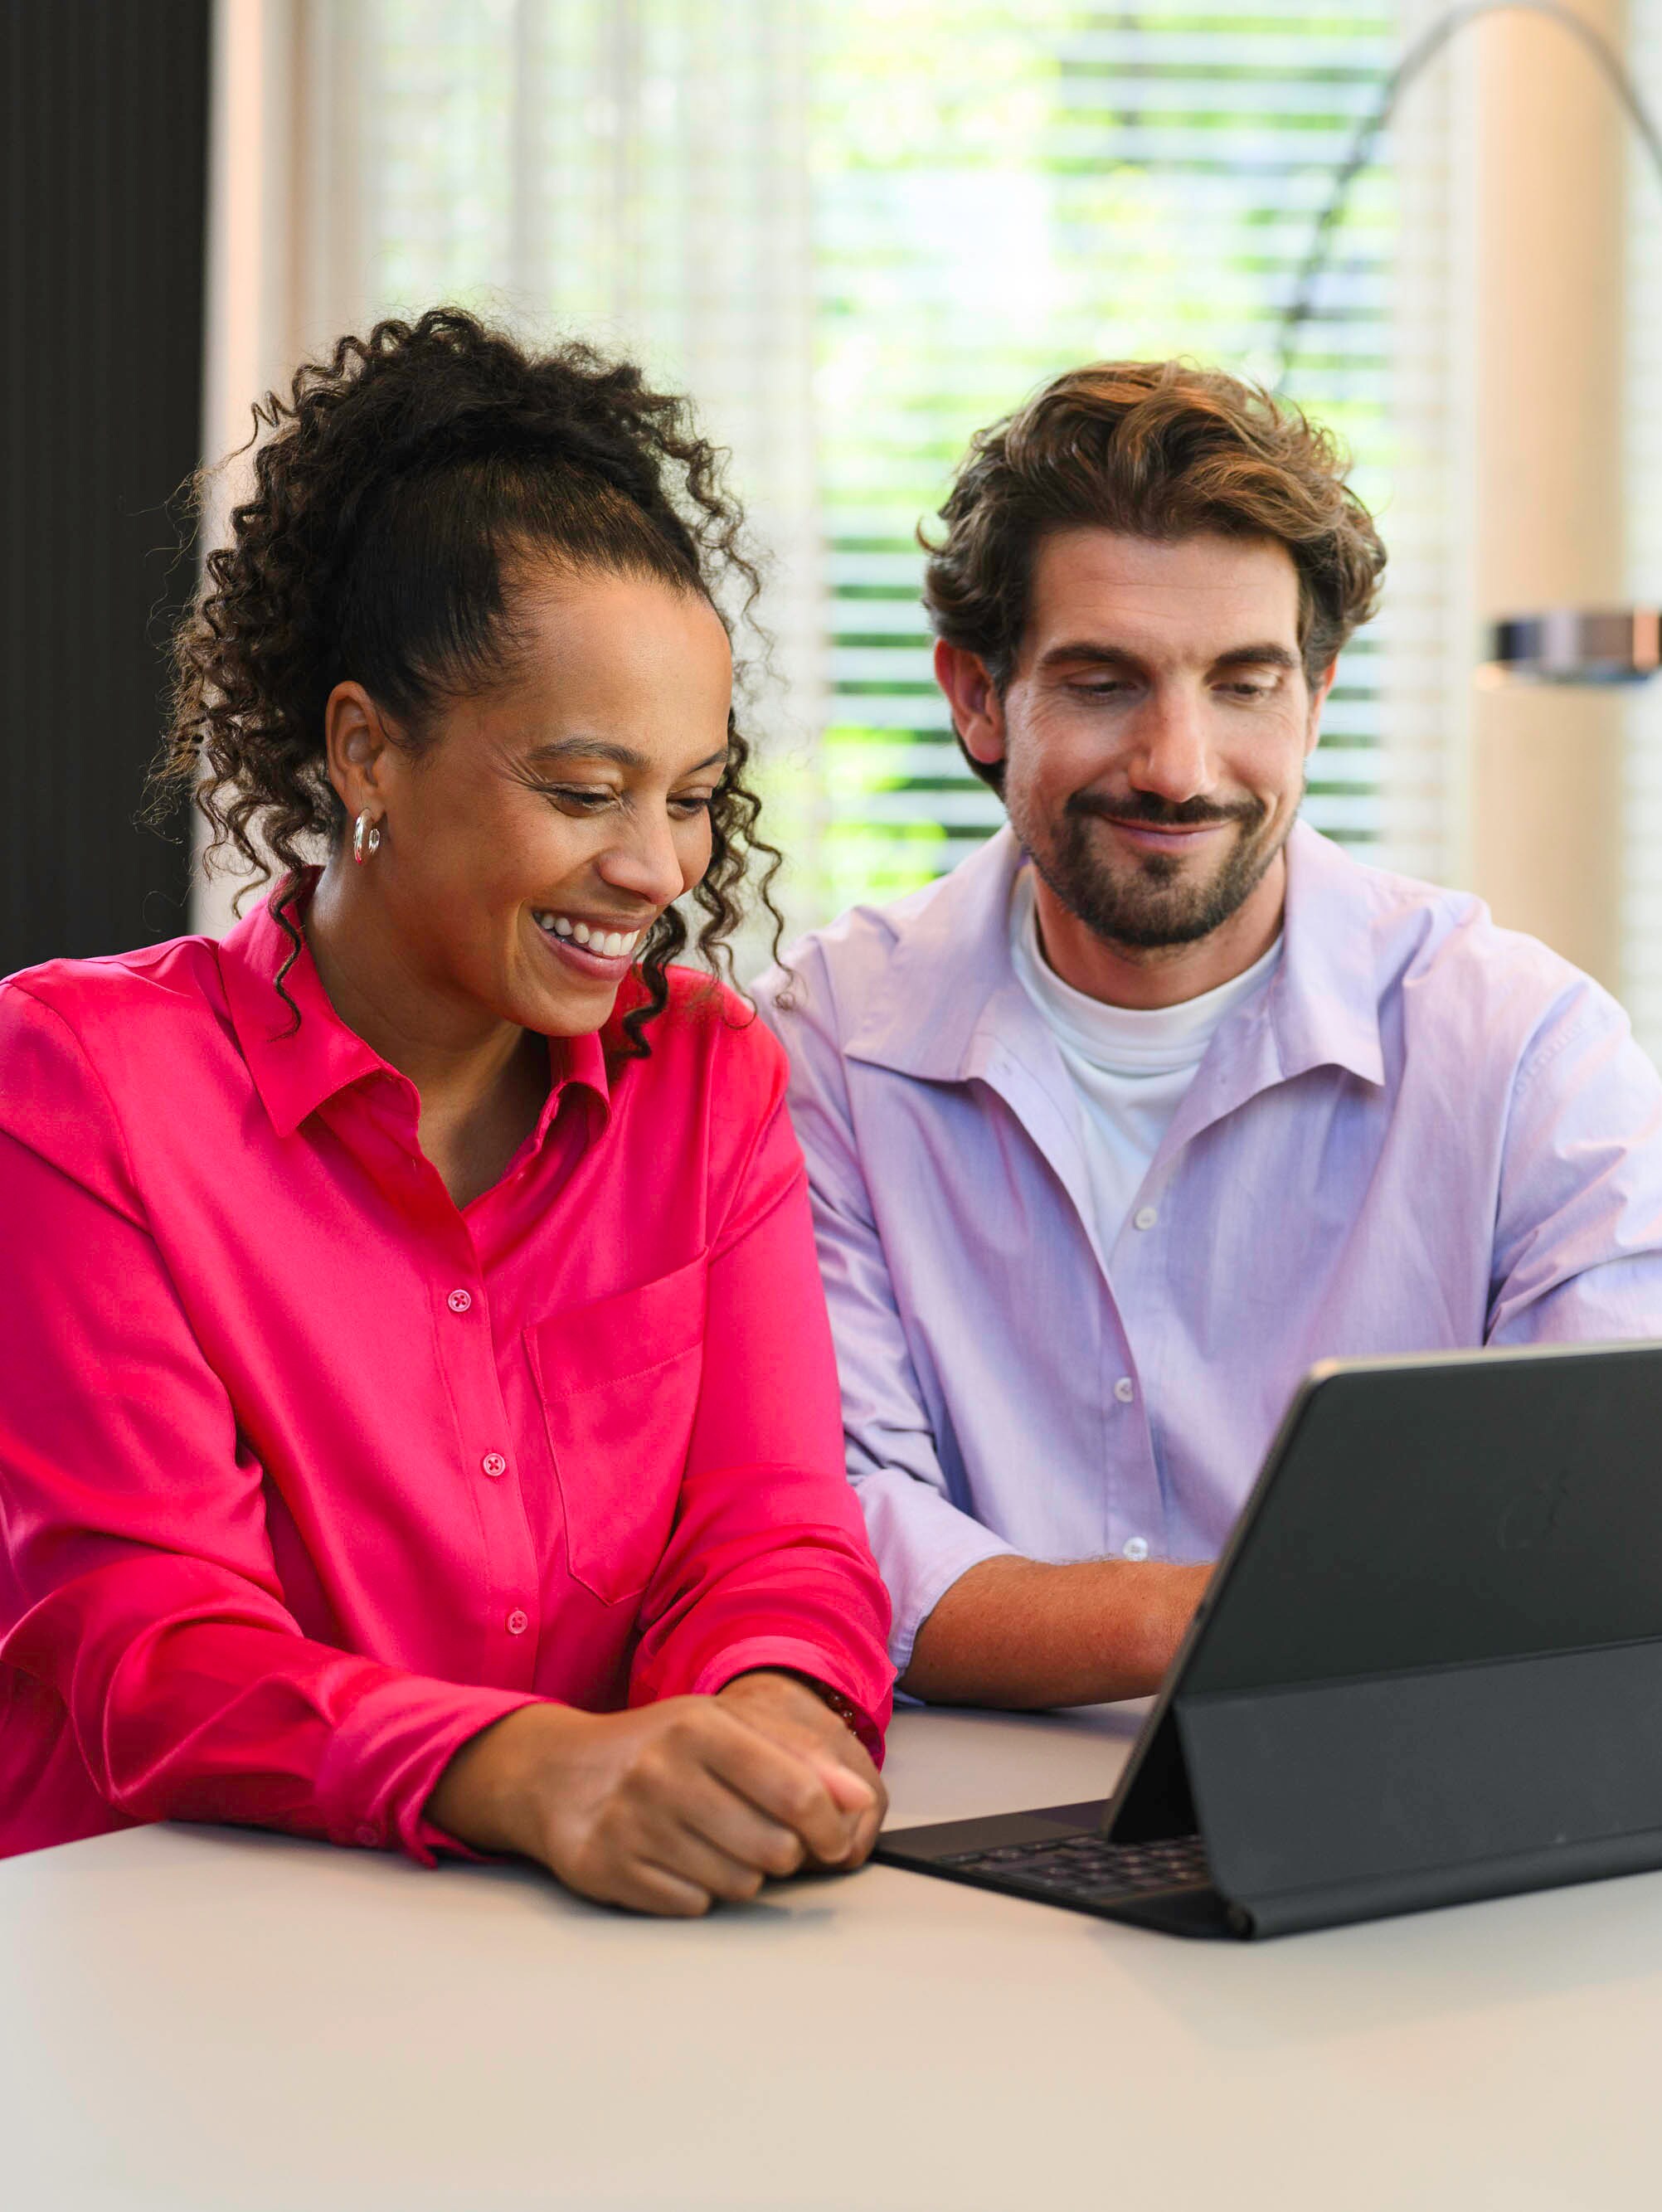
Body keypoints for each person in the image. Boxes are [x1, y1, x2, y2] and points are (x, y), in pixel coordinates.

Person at [0, 309, 892, 1915]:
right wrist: (538, 1769)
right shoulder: (79, 1079)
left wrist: (763, 1729)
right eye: (581, 789)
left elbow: (774, 1540)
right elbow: (151, 1650)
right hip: (163, 1963)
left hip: (569, 1950)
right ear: (368, 754)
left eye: (690, 796)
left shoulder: (707, 1079)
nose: (656, 868)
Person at [755, 360, 1662, 1713]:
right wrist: (1220, 1624)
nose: (1179, 766)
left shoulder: (1529, 1055)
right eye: (1107, 681)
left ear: (1316, 695)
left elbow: (1593, 1544)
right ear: (979, 698)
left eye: (1244, 684)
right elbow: (820, 1515)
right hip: (942, 1832)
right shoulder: (829, 1042)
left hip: (1395, 1805)